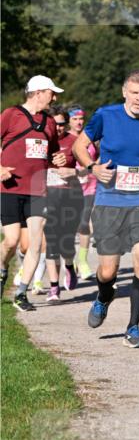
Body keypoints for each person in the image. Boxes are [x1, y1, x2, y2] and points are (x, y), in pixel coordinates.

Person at [72, 69, 139, 349]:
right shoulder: (106, 116)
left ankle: (133, 328)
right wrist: (93, 167)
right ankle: (104, 296)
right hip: (110, 200)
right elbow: (79, 145)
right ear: (124, 92)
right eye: (135, 92)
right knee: (108, 270)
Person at [1, 75, 66, 312]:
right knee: (11, 240)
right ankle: (2, 270)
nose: (55, 97)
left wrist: (57, 158)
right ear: (38, 92)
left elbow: (53, 153)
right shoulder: (11, 114)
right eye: (51, 92)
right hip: (9, 188)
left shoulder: (49, 123)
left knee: (35, 243)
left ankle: (21, 294)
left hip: (37, 190)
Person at [44, 107, 84, 302]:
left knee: (66, 242)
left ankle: (69, 266)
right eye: (54, 123)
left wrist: (73, 172)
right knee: (51, 241)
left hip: (72, 197)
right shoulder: (41, 140)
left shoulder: (75, 141)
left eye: (61, 123)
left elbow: (89, 169)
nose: (58, 127)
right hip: (47, 196)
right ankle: (54, 287)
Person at [68, 104, 96, 279]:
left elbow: (99, 155)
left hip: (90, 186)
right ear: (69, 120)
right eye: (75, 119)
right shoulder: (64, 138)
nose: (79, 122)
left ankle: (83, 261)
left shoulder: (89, 137)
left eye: (81, 119)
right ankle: (69, 263)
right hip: (70, 188)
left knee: (86, 224)